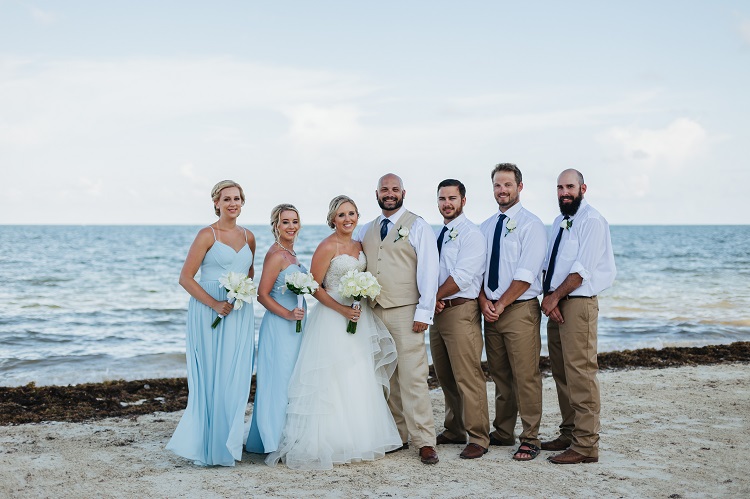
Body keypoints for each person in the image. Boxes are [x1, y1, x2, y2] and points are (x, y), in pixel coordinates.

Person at [267, 195, 402, 470]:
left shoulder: (359, 244)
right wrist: (342, 311)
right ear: (332, 219)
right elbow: (315, 287)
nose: (347, 219)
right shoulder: (327, 246)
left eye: (351, 213)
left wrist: (362, 296)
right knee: (332, 377)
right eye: (341, 215)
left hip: (358, 317)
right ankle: (329, 440)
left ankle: (361, 439)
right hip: (332, 319)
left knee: (357, 374)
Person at [166, 180, 256, 466]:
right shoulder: (207, 234)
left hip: (238, 312)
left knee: (235, 374)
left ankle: (227, 442)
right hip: (209, 312)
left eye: (237, 199)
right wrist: (215, 303)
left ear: (243, 202)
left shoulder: (249, 237)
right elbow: (185, 278)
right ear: (216, 203)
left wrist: (239, 296)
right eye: (226, 199)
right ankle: (208, 446)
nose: (232, 203)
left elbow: (249, 274)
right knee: (211, 375)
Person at [357, 173, 440, 465]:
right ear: (376, 193)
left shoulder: (418, 226)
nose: (389, 193)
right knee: (387, 376)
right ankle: (398, 435)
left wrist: (423, 312)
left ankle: (425, 441)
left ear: (404, 192)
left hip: (407, 311)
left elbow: (429, 271)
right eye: (384, 189)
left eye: (394, 189)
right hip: (374, 311)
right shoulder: (366, 229)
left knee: (413, 377)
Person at [540, 168, 616, 465]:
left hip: (578, 304)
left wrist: (554, 297)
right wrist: (550, 299)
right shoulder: (560, 221)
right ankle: (570, 432)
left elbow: (582, 270)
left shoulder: (593, 221)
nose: (564, 192)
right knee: (561, 372)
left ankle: (586, 445)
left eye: (569, 186)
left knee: (581, 373)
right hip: (556, 304)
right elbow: (551, 264)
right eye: (559, 187)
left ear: (583, 188)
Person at [479, 163, 547, 461]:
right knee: (501, 375)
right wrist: (483, 302)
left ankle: (530, 437)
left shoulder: (532, 225)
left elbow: (526, 274)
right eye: (497, 185)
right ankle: (504, 431)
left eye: (508, 184)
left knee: (526, 376)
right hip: (491, 311)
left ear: (520, 187)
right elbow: (477, 271)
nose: (502, 190)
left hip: (519, 309)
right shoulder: (485, 226)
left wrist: (502, 303)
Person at [430, 179, 490, 459]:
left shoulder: (472, 234)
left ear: (463, 201)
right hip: (438, 311)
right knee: (445, 375)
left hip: (460, 310)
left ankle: (478, 436)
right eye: (442, 199)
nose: (447, 203)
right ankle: (454, 428)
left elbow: (464, 276)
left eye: (452, 198)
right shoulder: (439, 233)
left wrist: (432, 299)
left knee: (468, 375)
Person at [246, 204, 307, 455]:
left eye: (294, 221)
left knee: (292, 380)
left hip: (296, 327)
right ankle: (274, 440)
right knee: (279, 381)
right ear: (275, 226)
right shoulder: (276, 255)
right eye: (285, 222)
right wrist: (288, 314)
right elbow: (262, 295)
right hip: (280, 326)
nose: (291, 226)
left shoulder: (291, 254)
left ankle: (288, 436)